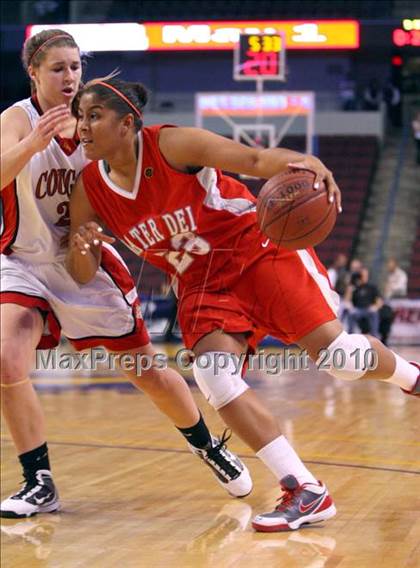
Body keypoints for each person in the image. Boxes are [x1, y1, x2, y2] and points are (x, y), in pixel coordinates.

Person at [69, 76, 419, 533]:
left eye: (94, 115)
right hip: (201, 282)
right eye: (80, 117)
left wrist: (301, 162)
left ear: (128, 123)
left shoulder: (172, 144)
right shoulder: (88, 188)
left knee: (342, 360)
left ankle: (410, 376)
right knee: (214, 376)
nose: (83, 127)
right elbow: (80, 271)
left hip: (255, 250)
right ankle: (305, 489)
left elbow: (254, 160)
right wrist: (81, 247)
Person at [0, 30, 252, 519]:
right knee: (6, 361)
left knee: (147, 373)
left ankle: (207, 445)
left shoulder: (98, 122)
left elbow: (138, 179)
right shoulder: (17, 119)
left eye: (75, 66)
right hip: (23, 261)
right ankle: (39, 481)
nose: (70, 76)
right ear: (33, 72)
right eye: (58, 68)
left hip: (84, 263)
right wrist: (34, 143)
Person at [347, 269, 382, 337]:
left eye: (366, 275)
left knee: (374, 313)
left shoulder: (372, 287)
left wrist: (375, 307)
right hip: (358, 309)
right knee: (351, 313)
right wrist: (350, 288)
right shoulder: (355, 287)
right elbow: (347, 300)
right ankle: (350, 335)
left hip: (369, 309)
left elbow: (379, 301)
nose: (364, 277)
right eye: (362, 276)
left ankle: (375, 336)